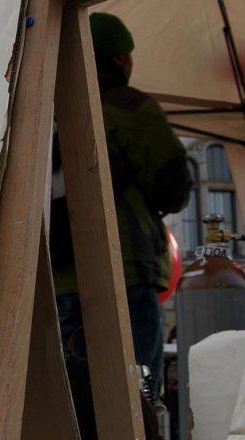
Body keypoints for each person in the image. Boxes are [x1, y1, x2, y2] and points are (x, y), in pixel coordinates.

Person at [51, 12, 191, 399]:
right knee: (132, 395)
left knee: (69, 402)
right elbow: (173, 187)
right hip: (121, 271)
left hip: (54, 277)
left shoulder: (43, 110)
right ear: (119, 58)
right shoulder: (128, 107)